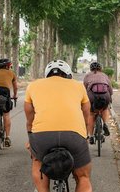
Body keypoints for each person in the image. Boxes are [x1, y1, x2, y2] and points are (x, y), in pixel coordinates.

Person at [24, 60, 92, 192]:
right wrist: (84, 135)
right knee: (83, 177)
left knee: (38, 162)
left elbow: (29, 118)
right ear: (68, 74)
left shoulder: (33, 86)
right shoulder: (78, 86)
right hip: (74, 136)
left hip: (42, 137)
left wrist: (30, 138)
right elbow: (86, 113)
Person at [0, 58, 18, 147]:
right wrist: (15, 95)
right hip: (5, 92)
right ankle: (7, 138)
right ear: (7, 66)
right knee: (6, 115)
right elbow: (15, 87)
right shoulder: (11, 73)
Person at [83, 61, 113, 144]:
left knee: (91, 114)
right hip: (105, 96)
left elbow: (83, 90)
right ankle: (105, 124)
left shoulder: (87, 76)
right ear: (100, 69)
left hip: (92, 96)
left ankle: (91, 136)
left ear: (91, 69)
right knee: (105, 109)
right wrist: (109, 99)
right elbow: (110, 90)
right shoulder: (104, 75)